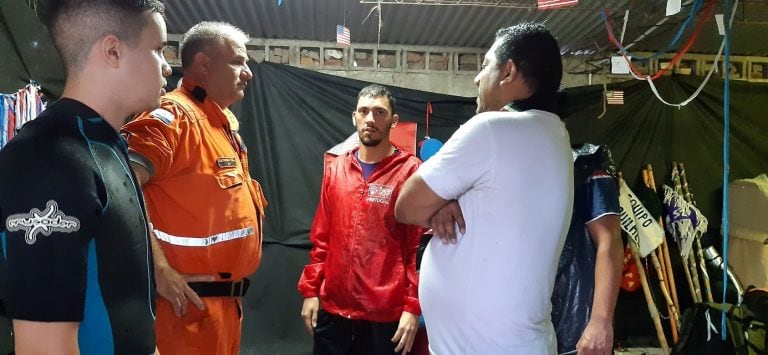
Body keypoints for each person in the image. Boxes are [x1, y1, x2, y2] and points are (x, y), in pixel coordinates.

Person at [0, 0, 170, 353]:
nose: (167, 66)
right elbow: (44, 348)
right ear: (113, 51)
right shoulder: (49, 159)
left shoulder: (105, 144)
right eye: (158, 50)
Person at [395, 23, 573, 354]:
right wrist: (445, 199)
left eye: (486, 64)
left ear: (508, 71)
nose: (478, 78)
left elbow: (406, 206)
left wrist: (438, 200)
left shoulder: (491, 129)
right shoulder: (555, 135)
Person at [121, 21, 267, 355]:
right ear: (204, 63)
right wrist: (158, 270)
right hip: (182, 313)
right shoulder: (175, 116)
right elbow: (118, 189)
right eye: (238, 62)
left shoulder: (222, 127)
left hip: (220, 313)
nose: (248, 73)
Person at [297, 84, 423, 355]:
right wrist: (310, 291)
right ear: (354, 117)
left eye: (379, 112)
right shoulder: (337, 168)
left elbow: (416, 247)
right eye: (364, 111)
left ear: (393, 120)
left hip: (385, 316)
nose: (370, 119)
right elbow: (322, 237)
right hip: (333, 311)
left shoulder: (411, 172)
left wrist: (412, 307)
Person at [551, 143, 622, 355]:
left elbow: (608, 240)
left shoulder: (582, 164)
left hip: (574, 323)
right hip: (523, 324)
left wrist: (600, 321)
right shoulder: (503, 168)